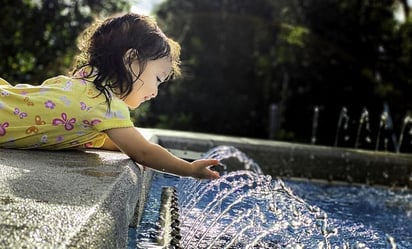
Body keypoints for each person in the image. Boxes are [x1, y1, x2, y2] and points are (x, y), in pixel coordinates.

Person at [0, 13, 220, 180]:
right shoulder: (105, 103)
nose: (155, 92)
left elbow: (105, 139)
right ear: (131, 60)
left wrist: (125, 144)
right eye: (158, 79)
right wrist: (189, 169)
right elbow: (144, 152)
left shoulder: (85, 84)